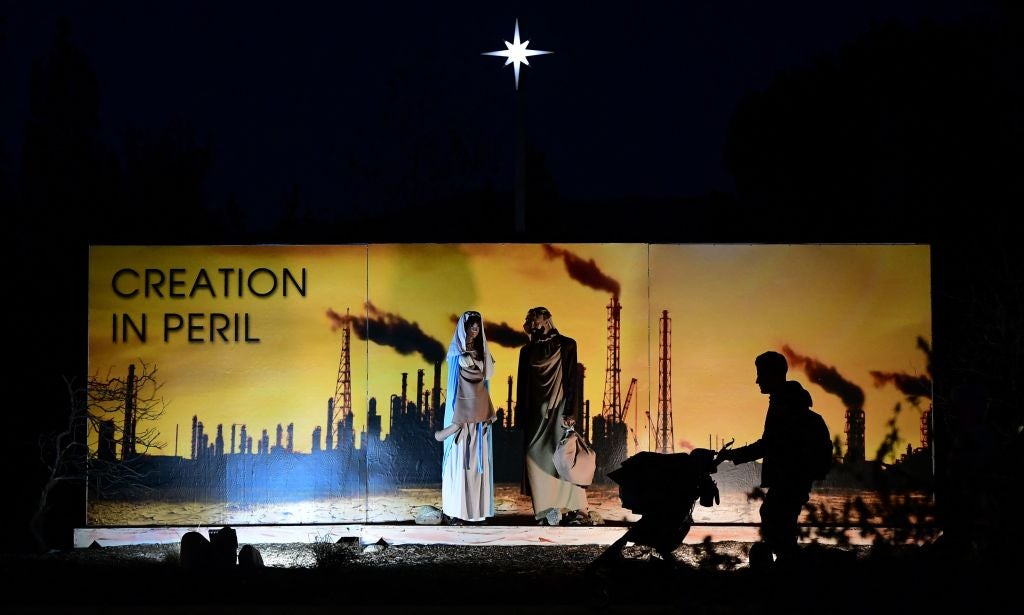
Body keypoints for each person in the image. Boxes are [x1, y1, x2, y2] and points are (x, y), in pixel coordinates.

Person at [717, 350, 829, 567]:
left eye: (761, 374)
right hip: (795, 479)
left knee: (775, 522)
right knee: (778, 523)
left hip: (790, 479)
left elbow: (768, 445)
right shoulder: (789, 401)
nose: (757, 380)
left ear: (773, 375)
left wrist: (733, 455)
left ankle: (791, 572)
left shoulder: (783, 405)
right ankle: (789, 569)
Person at [517, 306, 592, 526]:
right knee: (534, 455)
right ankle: (544, 511)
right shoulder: (527, 351)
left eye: (536, 320)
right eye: (530, 321)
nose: (533, 324)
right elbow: (522, 386)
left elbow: (571, 381)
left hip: (560, 409)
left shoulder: (567, 345)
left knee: (562, 458)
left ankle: (574, 508)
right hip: (535, 415)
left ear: (548, 319)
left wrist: (572, 412)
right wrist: (519, 417)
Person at [434, 311, 497, 525]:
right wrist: (454, 419)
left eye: (478, 327)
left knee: (478, 462)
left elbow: (487, 377)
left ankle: (477, 512)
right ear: (464, 328)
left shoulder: (483, 354)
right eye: (471, 326)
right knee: (459, 462)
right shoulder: (455, 355)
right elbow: (452, 389)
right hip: (460, 416)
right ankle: (456, 511)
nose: (475, 330)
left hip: (479, 416)